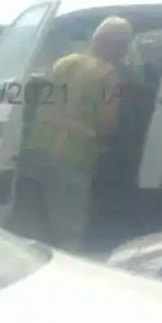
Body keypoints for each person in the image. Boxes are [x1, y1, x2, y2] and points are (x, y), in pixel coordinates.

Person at [9, 16, 133, 253]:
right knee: (69, 233)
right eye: (123, 46)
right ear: (115, 46)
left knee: (32, 227)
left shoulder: (63, 63)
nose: (123, 53)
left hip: (36, 151)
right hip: (72, 158)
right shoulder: (109, 76)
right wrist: (105, 147)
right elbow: (108, 122)